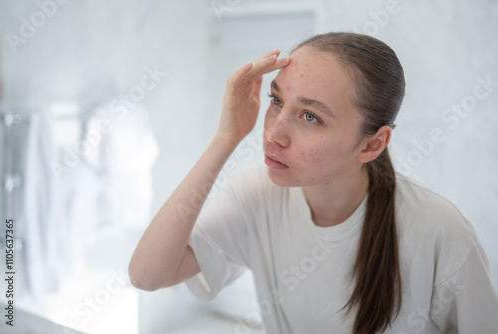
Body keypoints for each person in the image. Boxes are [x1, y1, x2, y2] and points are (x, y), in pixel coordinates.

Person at [129, 32, 498, 333]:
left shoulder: (439, 231)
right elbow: (148, 275)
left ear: (371, 144)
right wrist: (225, 139)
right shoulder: (257, 193)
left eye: (310, 116)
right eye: (276, 100)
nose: (274, 133)